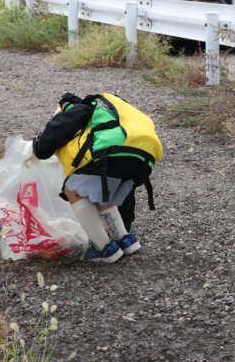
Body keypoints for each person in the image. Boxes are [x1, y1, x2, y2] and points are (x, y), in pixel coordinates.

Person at [26, 93, 162, 264]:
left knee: (73, 188)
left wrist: (38, 148)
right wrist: (127, 221)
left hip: (110, 154)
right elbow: (124, 199)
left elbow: (55, 132)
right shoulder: (111, 114)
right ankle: (126, 240)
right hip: (143, 159)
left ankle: (103, 248)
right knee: (101, 192)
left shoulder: (80, 108)